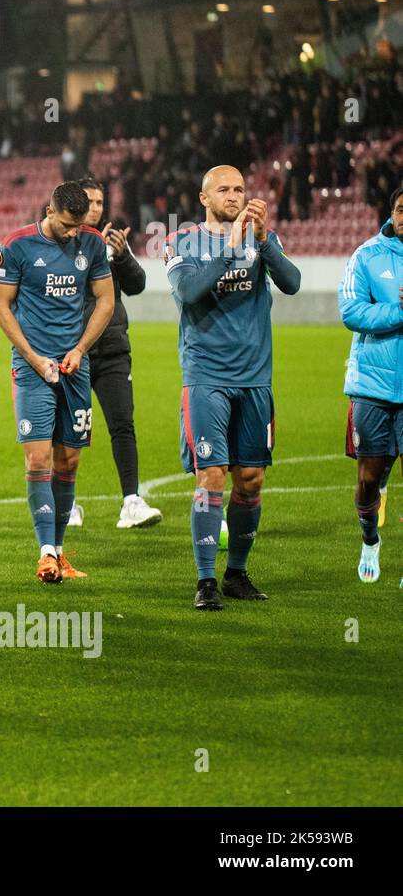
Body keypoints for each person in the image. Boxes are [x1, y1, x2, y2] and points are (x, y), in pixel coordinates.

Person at [165, 165, 301, 611]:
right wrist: (231, 247)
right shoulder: (181, 242)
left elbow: (292, 284)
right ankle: (205, 580)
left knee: (251, 478)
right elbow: (189, 292)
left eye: (240, 188)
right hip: (206, 377)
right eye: (223, 189)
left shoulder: (264, 240)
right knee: (212, 475)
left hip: (255, 379)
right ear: (203, 198)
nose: (234, 195)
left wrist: (260, 241)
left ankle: (237, 573)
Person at [0, 181, 115, 583]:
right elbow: (2, 307)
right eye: (66, 225)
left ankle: (60, 552)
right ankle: (45, 553)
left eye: (78, 226)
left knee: (71, 460)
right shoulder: (17, 246)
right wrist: (33, 357)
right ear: (49, 211)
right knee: (38, 458)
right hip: (31, 367)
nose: (72, 233)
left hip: (74, 368)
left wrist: (79, 350)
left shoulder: (92, 244)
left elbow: (106, 300)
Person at [68, 177, 162, 530]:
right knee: (70, 432)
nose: (94, 208)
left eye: (98, 202)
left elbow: (137, 285)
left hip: (112, 350)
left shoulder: (111, 244)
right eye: (88, 201)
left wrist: (121, 255)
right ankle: (68, 503)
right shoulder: (61, 244)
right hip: (73, 354)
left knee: (123, 425)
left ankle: (131, 501)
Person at [338, 184, 403, 583]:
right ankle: (369, 539)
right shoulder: (367, 255)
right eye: (400, 208)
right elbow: (351, 311)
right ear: (392, 212)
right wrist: (398, 311)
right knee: (368, 479)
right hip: (372, 385)